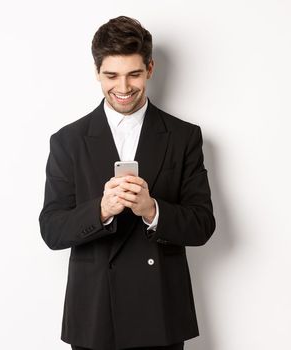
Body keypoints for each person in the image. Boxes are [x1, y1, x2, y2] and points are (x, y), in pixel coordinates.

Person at [39, 16, 216, 350]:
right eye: (111, 75)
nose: (123, 87)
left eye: (133, 73)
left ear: (150, 68)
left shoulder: (183, 136)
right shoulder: (68, 141)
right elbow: (51, 229)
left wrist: (152, 210)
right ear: (97, 72)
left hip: (160, 314)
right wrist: (101, 209)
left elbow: (203, 225)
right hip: (95, 316)